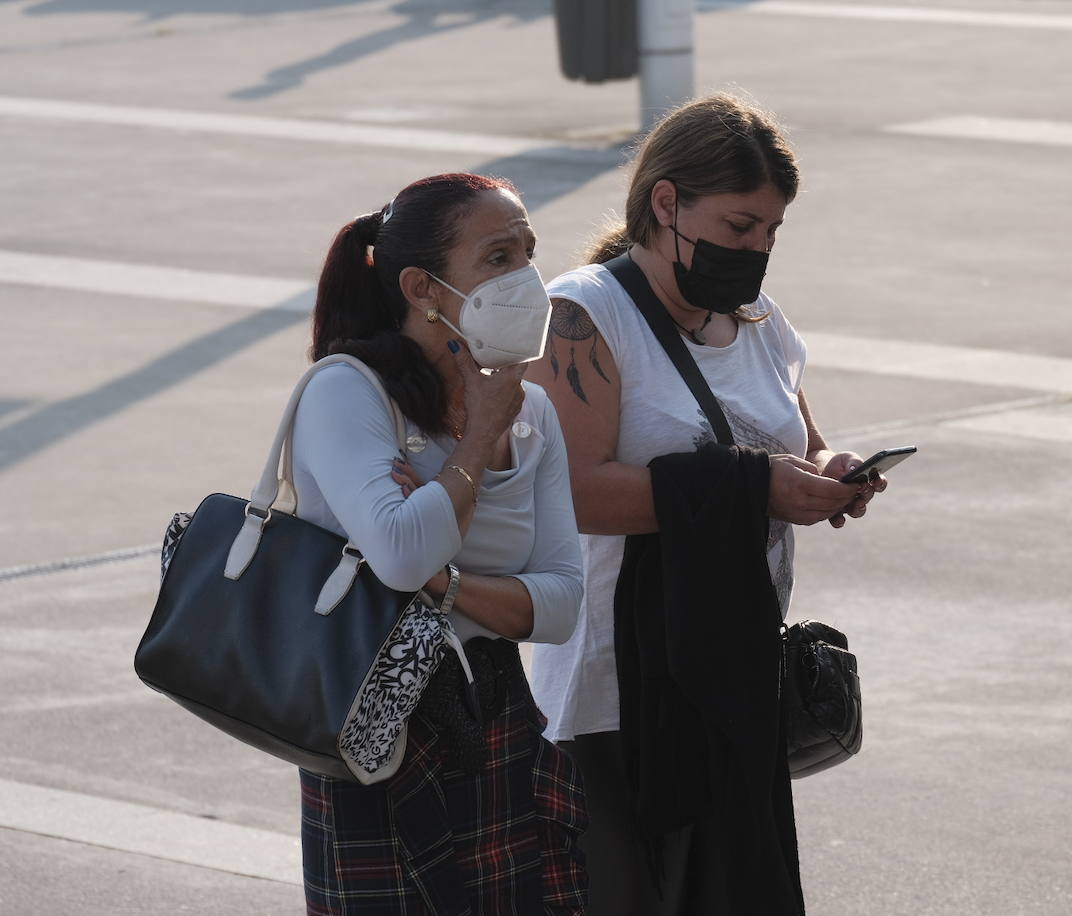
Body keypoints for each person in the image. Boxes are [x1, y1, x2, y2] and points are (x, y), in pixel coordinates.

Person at [526, 93, 886, 915]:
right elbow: (574, 493)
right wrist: (756, 486)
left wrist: (833, 472)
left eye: (770, 232)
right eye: (737, 226)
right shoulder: (584, 313)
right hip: (618, 686)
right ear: (666, 204)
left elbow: (799, 439)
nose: (755, 249)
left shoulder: (757, 318)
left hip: (731, 669)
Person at [294, 172, 588, 914]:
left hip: (494, 707)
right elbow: (400, 557)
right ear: (423, 288)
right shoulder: (348, 391)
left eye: (529, 252)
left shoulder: (535, 412)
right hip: (378, 716)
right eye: (497, 258)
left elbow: (561, 604)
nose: (526, 278)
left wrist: (447, 587)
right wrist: (479, 434)